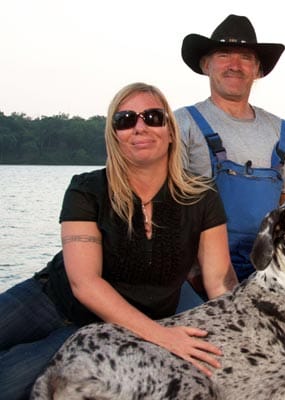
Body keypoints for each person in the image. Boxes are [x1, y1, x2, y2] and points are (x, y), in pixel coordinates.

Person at [0, 82, 238, 399]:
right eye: (126, 120)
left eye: (153, 117)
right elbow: (84, 282)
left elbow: (218, 279)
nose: (140, 127)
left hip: (107, 329)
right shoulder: (87, 189)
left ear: (170, 130)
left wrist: (245, 331)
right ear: (115, 135)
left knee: (8, 381)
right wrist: (164, 336)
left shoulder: (202, 196)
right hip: (49, 297)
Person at [175, 14, 285, 289]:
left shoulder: (282, 132)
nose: (235, 65)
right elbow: (166, 209)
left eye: (246, 58)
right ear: (206, 65)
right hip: (197, 273)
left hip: (269, 272)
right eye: (224, 54)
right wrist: (191, 274)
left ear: (258, 70)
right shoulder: (182, 124)